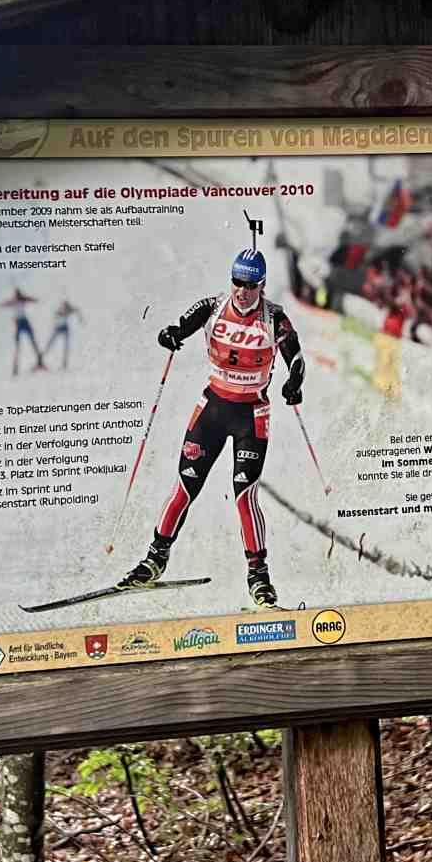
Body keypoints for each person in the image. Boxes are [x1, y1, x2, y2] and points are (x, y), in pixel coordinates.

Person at [118, 247, 306, 607]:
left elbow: (296, 359)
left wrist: (294, 383)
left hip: (252, 416)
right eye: (237, 282)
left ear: (262, 285)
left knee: (244, 494)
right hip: (212, 411)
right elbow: (179, 328)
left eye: (251, 285)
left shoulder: (274, 319)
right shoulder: (213, 307)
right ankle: (155, 559)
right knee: (184, 486)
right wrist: (170, 335)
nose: (243, 291)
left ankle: (259, 577)